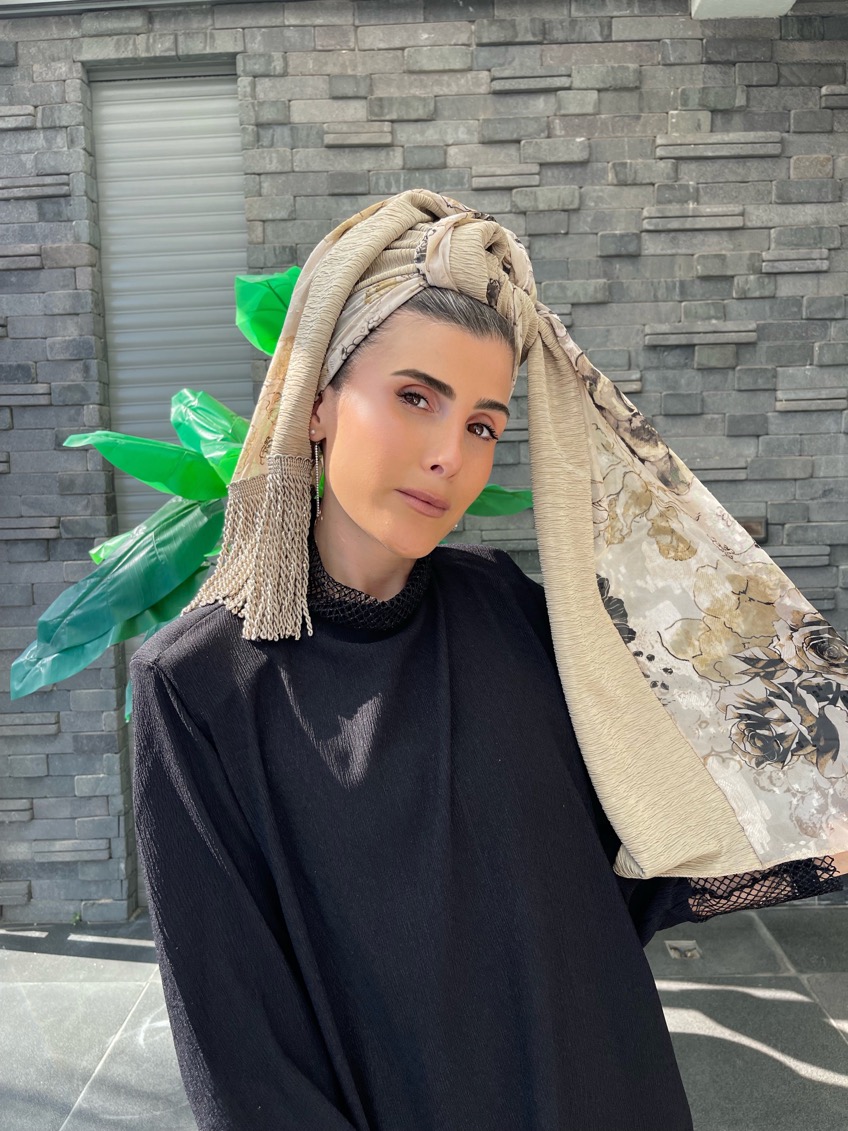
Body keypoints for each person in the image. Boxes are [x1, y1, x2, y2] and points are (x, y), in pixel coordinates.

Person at [131, 190, 847, 1130]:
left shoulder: (505, 608)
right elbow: (240, 1045)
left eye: (481, 424)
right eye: (415, 397)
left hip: (605, 1086)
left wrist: (814, 811)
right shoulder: (201, 684)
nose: (450, 455)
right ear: (317, 402)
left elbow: (625, 850)